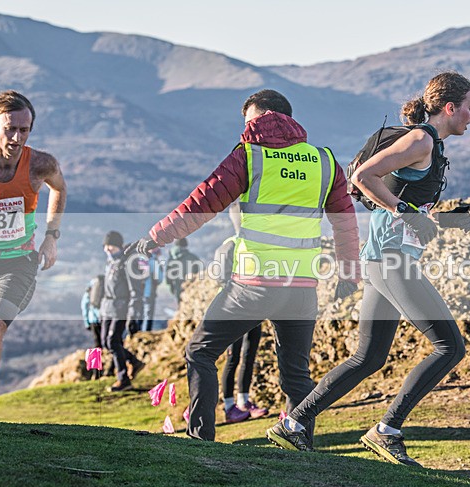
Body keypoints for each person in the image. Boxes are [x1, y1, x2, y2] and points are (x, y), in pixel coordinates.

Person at [126, 89, 361, 442]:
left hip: (253, 285)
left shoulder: (250, 157)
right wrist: (348, 273)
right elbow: (345, 223)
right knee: (296, 374)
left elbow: (201, 205)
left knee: (200, 353)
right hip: (301, 287)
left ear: (261, 117)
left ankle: (201, 439)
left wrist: (154, 238)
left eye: (248, 121)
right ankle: (300, 443)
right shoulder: (324, 161)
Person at [267, 72, 470, 467]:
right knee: (450, 346)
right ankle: (387, 430)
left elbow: (404, 200)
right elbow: (363, 179)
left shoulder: (430, 143)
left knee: (369, 357)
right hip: (390, 258)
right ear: (450, 107)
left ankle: (294, 424)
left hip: (386, 256)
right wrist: (404, 212)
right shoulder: (421, 139)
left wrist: (442, 218)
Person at [0, 90, 66, 422]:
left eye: (25, 129)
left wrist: (51, 237)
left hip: (17, 262)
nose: (18, 137)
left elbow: (59, 189)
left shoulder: (41, 164)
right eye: (10, 129)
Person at [213, 235, 268, 423]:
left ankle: (243, 402)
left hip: (255, 306)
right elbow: (221, 277)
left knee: (249, 355)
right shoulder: (230, 244)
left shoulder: (258, 242)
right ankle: (229, 407)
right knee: (233, 357)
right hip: (233, 308)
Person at [100, 230, 146, 392]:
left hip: (121, 308)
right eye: (105, 247)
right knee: (106, 342)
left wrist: (133, 315)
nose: (107, 250)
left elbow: (135, 291)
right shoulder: (111, 263)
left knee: (113, 340)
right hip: (108, 308)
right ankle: (133, 361)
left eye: (110, 247)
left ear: (118, 246)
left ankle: (123, 378)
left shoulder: (127, 263)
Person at [165, 238, 201, 303]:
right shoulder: (193, 258)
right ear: (186, 245)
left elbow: (168, 274)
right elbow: (200, 273)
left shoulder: (171, 259)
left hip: (176, 287)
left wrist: (170, 284)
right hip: (191, 288)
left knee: (181, 307)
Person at [142, 249, 163, 331]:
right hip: (149, 292)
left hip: (138, 292)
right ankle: (144, 335)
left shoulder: (140, 259)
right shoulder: (153, 261)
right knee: (148, 316)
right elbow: (159, 279)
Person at [81, 275, 104, 350]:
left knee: (97, 343)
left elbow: (84, 304)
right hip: (105, 317)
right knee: (110, 342)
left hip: (93, 318)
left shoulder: (92, 285)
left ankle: (97, 361)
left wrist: (86, 322)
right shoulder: (107, 283)